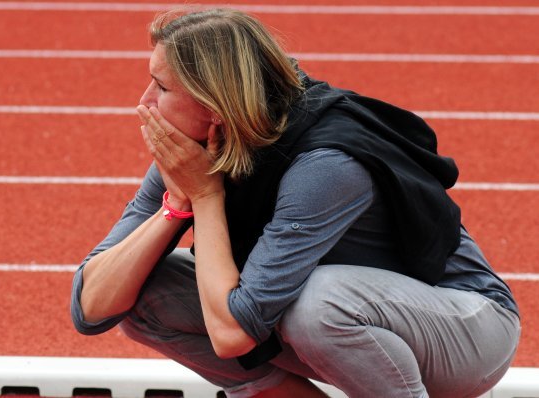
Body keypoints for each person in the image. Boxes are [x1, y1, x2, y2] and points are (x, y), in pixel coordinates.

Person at [71, 8, 520, 398]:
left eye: (161, 88)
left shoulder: (325, 165)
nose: (144, 103)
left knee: (317, 306)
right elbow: (91, 307)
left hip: (467, 329)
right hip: (356, 320)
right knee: (146, 290)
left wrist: (206, 196)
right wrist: (176, 206)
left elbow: (232, 335)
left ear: (214, 106)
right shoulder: (201, 147)